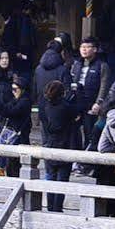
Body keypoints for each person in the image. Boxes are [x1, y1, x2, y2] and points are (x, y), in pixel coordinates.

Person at [35, 79, 85, 212]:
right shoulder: (66, 107)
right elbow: (78, 111)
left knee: (50, 177)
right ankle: (58, 207)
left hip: (49, 143)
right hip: (65, 144)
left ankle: (50, 206)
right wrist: (77, 93)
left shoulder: (43, 106)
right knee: (62, 179)